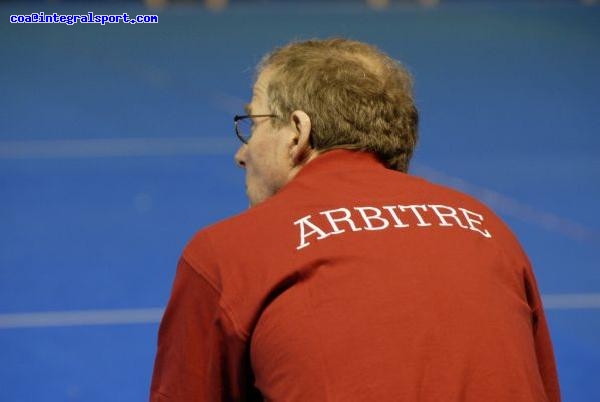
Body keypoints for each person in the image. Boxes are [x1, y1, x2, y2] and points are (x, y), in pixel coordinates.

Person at [149, 38, 560, 401]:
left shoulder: (227, 253)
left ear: (297, 132)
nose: (241, 154)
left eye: (252, 124)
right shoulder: (486, 228)